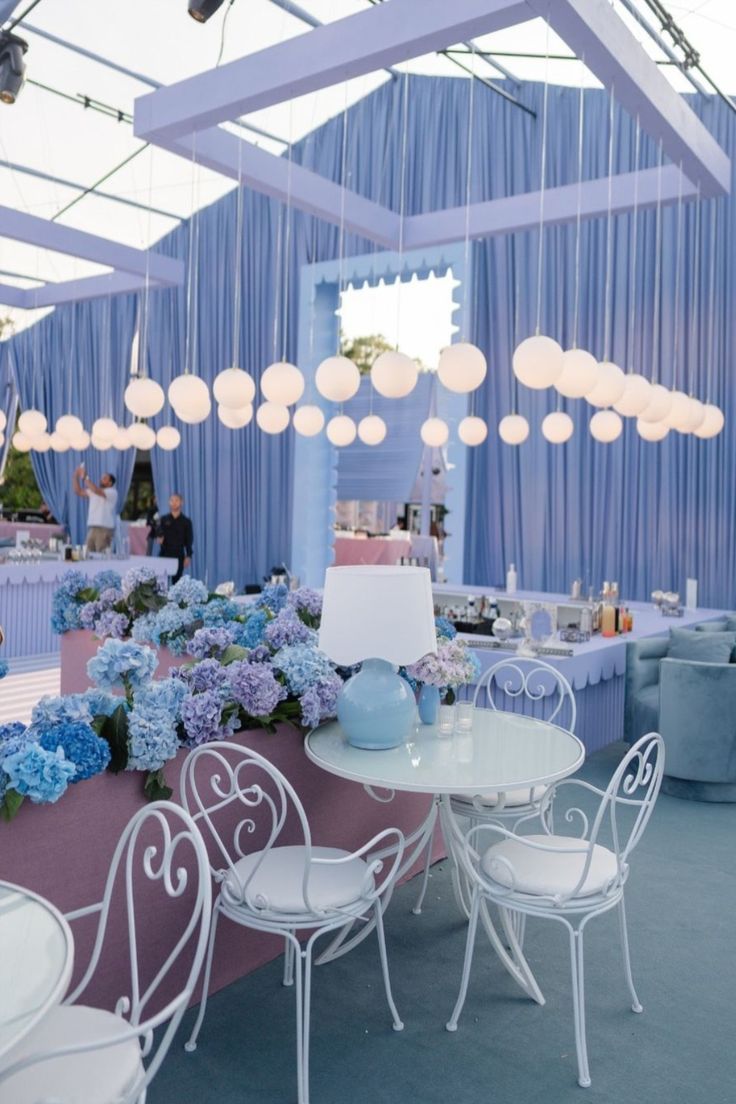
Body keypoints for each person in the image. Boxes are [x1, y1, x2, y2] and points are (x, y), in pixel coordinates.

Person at [72, 466, 118, 552]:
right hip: (92, 528)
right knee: (87, 555)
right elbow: (78, 491)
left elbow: (97, 490)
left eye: (104, 478)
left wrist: (85, 476)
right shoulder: (94, 491)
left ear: (110, 482)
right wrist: (75, 476)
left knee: (102, 556)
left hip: (104, 529)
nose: (101, 480)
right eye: (101, 478)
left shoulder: (112, 492)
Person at [157, 492, 193, 583]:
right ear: (169, 502)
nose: (174, 503)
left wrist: (188, 555)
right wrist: (159, 537)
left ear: (181, 502)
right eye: (172, 500)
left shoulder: (186, 521)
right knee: (161, 582)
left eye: (177, 500)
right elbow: (158, 532)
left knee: (177, 583)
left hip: (178, 555)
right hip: (164, 554)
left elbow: (189, 540)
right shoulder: (163, 519)